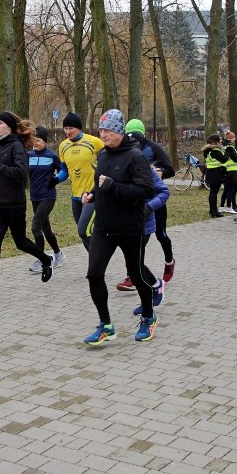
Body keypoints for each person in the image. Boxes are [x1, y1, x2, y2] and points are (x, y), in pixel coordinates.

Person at [82, 109, 157, 346]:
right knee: (94, 274)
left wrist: (113, 186)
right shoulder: (103, 155)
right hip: (103, 227)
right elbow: (101, 184)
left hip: (129, 228)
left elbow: (146, 190)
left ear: (118, 131)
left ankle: (148, 316)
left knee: (136, 275)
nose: (102, 134)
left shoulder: (136, 157)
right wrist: (92, 195)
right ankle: (106, 325)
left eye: (107, 130)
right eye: (101, 130)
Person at [0, 112, 53, 302]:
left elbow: (19, 173)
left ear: (9, 126)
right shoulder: (2, 145)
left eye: (0, 122)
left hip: (15, 206)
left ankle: (45, 259)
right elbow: (3, 175)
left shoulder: (17, 146)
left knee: (21, 243)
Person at [117, 119, 176, 288]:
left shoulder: (153, 148)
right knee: (136, 239)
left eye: (137, 135)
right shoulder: (124, 149)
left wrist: (159, 173)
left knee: (160, 234)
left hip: (155, 200)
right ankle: (132, 276)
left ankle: (169, 261)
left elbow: (170, 169)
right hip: (138, 202)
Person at [49, 113, 105, 251]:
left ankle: (98, 261)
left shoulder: (95, 142)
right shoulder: (63, 146)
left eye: (71, 128)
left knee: (83, 230)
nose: (68, 131)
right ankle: (96, 264)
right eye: (65, 128)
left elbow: (108, 162)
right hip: (75, 196)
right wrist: (55, 179)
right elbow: (64, 171)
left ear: (79, 128)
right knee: (84, 233)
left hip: (92, 194)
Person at [129, 165, 170, 315]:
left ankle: (153, 290)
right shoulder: (110, 161)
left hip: (142, 224)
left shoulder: (142, 165)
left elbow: (164, 191)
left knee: (134, 265)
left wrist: (148, 208)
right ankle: (154, 286)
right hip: (121, 223)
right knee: (134, 265)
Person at [27, 126, 66, 273]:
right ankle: (58, 254)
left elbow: (63, 170)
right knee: (45, 228)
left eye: (38, 140)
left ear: (45, 141)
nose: (35, 143)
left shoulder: (52, 156)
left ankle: (42, 259)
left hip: (48, 196)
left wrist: (55, 179)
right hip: (34, 196)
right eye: (33, 140)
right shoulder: (28, 155)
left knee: (35, 226)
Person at [201, 134, 229, 218]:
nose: (220, 142)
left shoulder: (207, 150)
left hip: (210, 172)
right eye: (219, 140)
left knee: (212, 192)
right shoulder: (215, 151)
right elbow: (224, 159)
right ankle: (214, 211)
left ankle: (212, 210)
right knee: (214, 193)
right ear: (215, 141)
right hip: (216, 173)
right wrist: (227, 152)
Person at [220, 130, 237, 213]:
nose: (235, 139)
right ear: (231, 139)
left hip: (227, 170)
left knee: (226, 190)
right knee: (231, 190)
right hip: (232, 171)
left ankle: (221, 206)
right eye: (233, 138)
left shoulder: (225, 147)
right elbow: (235, 159)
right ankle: (229, 206)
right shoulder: (230, 148)